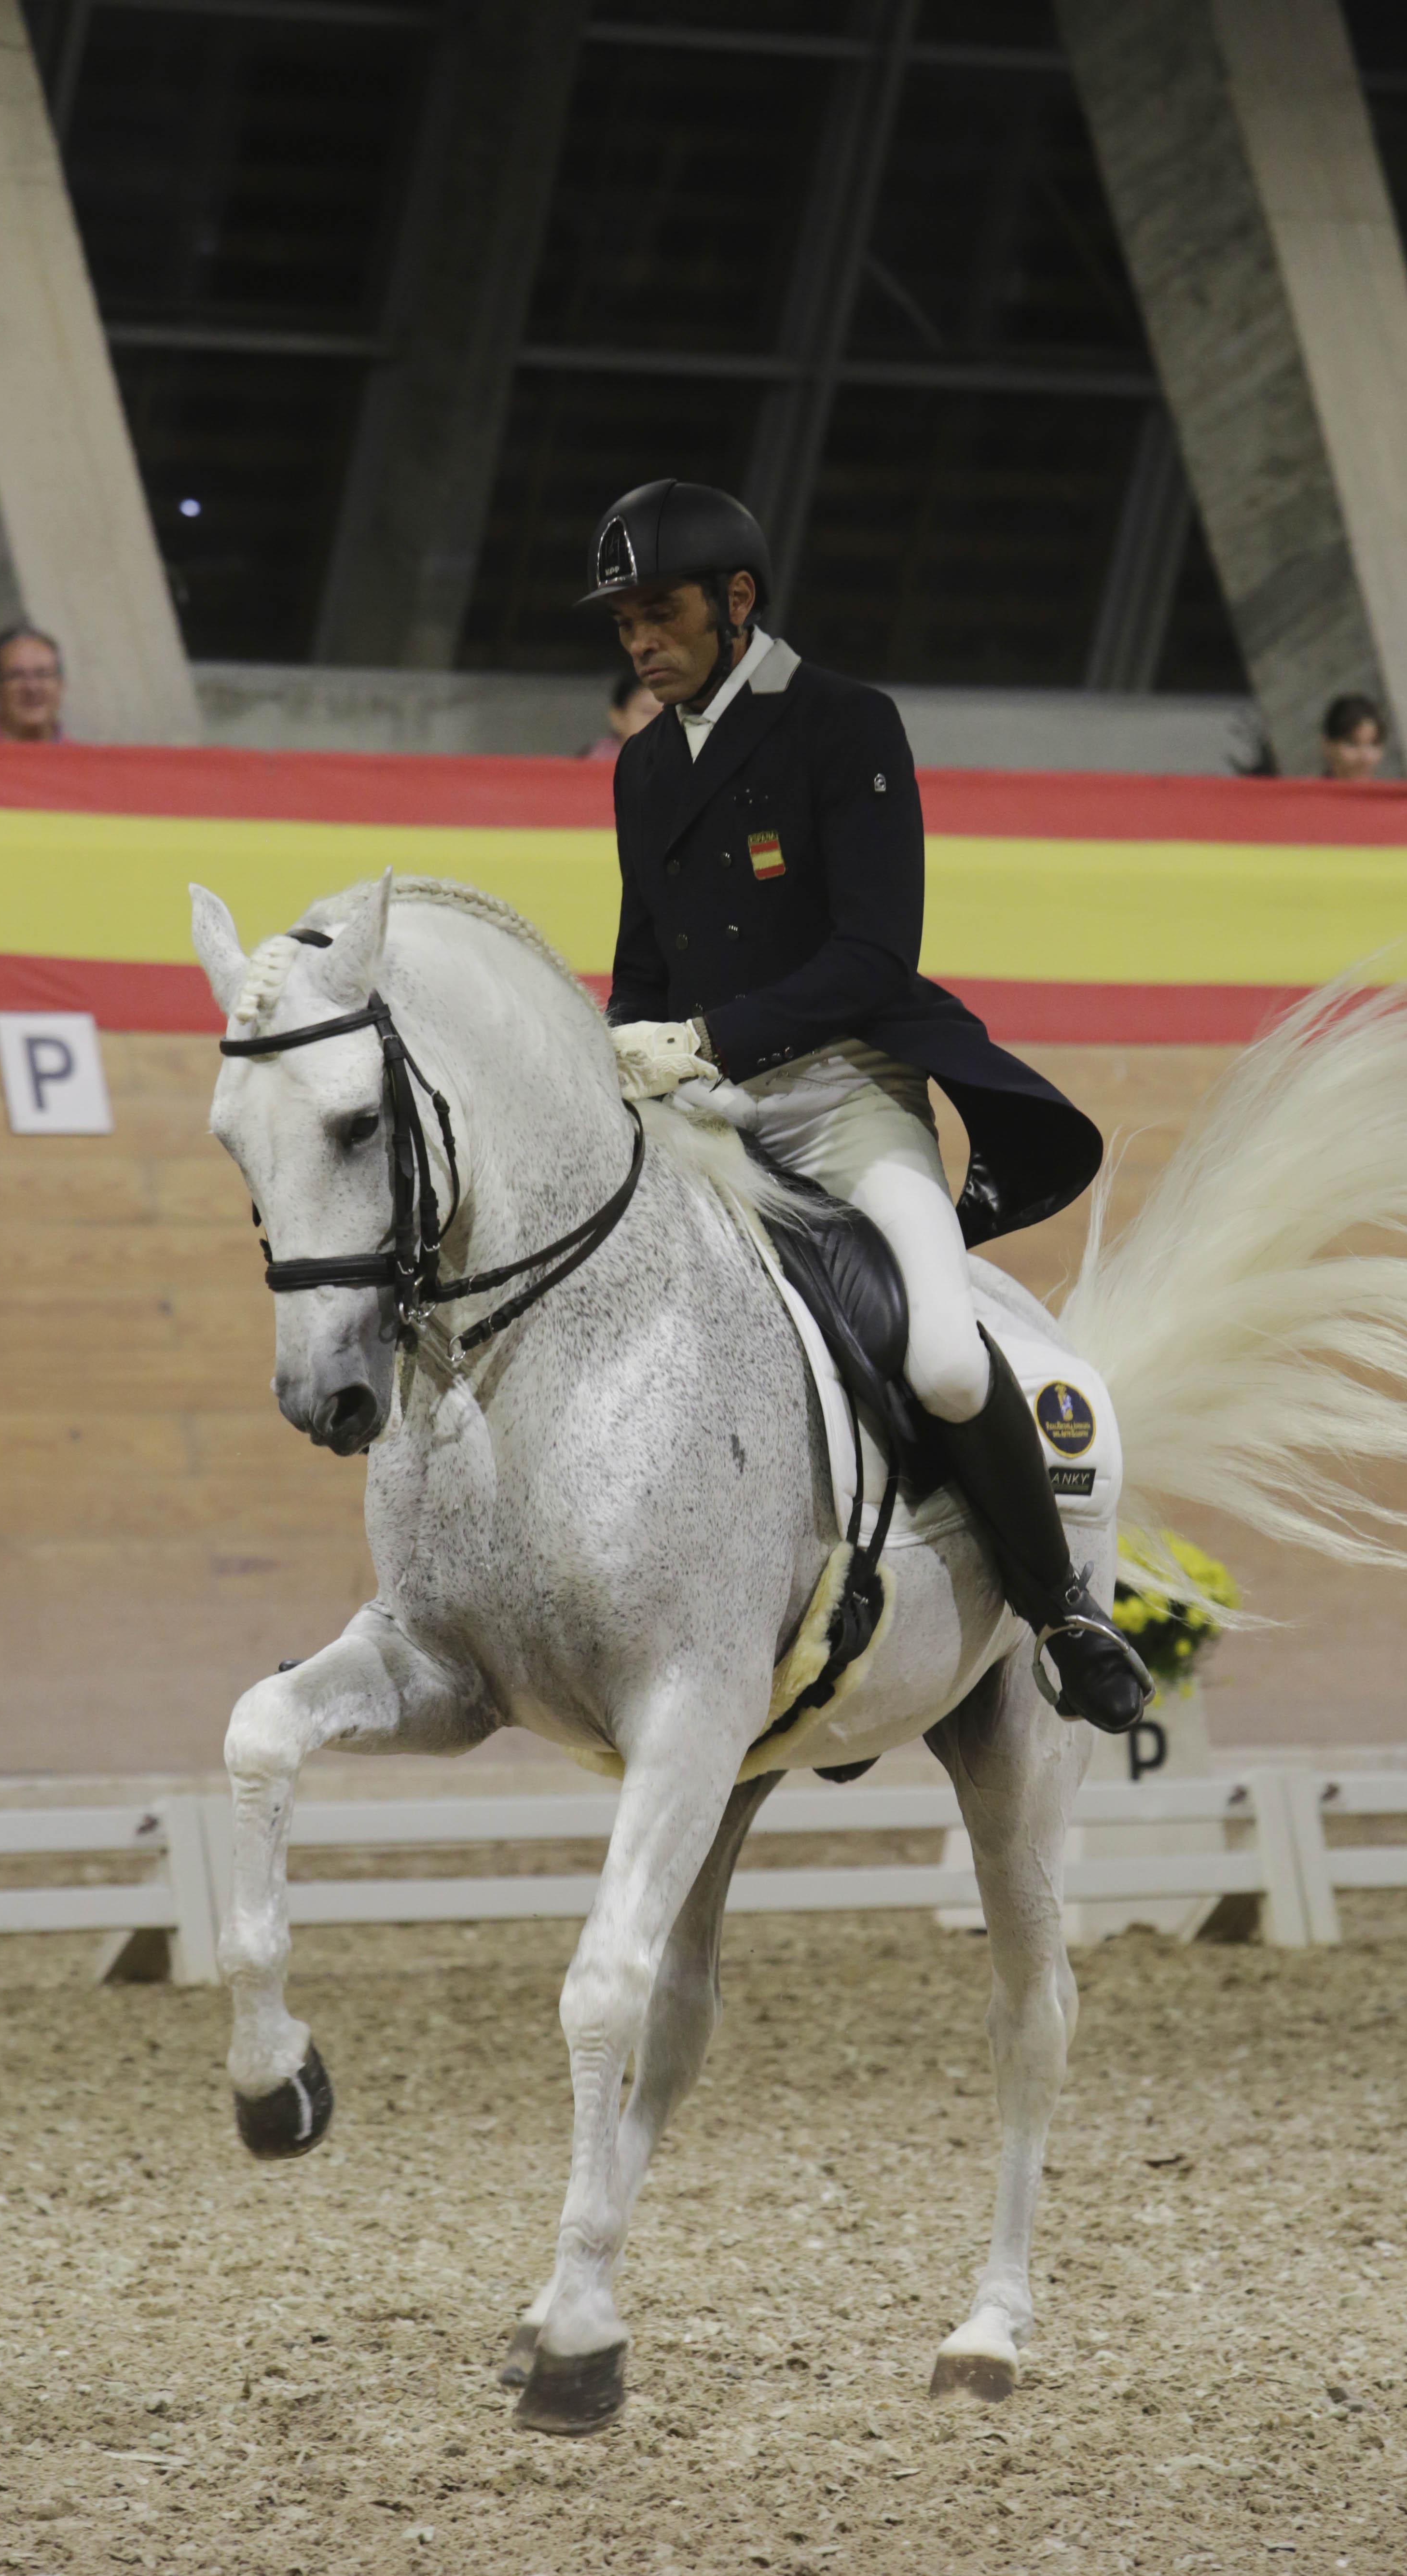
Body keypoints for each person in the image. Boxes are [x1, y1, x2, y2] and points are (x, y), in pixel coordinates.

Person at [586, 476, 1150, 1734]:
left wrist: (705, 1037)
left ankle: (1063, 1611)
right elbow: (643, 963)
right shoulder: (641, 770)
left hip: (846, 1106)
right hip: (707, 1117)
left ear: (737, 601)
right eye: (623, 621)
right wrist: (623, 1052)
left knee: (946, 1359)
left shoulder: (844, 725)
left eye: (660, 611)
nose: (638, 639)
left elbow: (875, 955)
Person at [580, 666, 660, 761]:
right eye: (648, 712)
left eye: (670, 714)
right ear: (618, 718)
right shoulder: (589, 766)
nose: (660, 721)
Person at [1320, 694, 1385, 779]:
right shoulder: (1310, 792)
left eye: (1374, 743)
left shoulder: (1391, 792)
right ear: (1327, 745)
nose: (1366, 758)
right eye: (1352, 744)